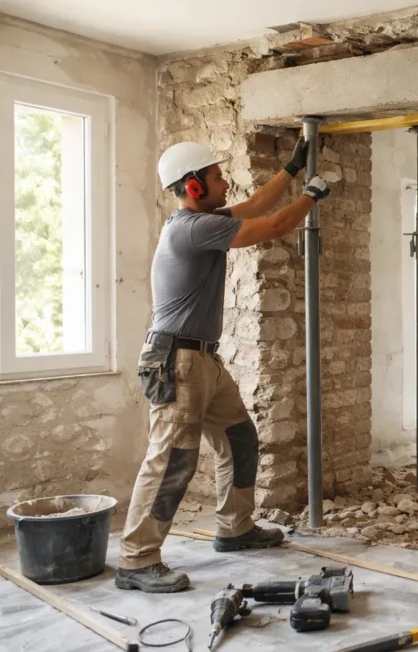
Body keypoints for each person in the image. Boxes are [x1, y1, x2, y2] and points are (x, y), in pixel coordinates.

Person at [115, 138, 330, 593]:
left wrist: (292, 168)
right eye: (216, 177)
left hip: (202, 361)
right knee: (172, 460)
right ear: (193, 186)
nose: (225, 182)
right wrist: (313, 193)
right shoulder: (191, 229)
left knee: (239, 439)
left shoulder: (201, 221)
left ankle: (235, 529)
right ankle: (136, 559)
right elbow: (274, 224)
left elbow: (254, 206)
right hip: (177, 361)